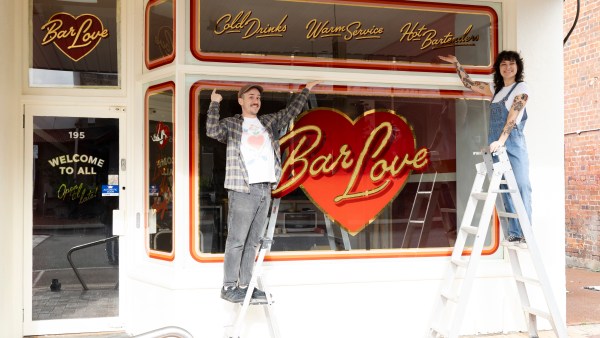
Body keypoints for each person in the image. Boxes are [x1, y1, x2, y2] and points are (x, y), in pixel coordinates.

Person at [207, 80, 321, 303]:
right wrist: (214, 104)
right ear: (240, 101)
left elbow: (291, 112)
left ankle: (246, 286)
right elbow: (212, 130)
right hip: (242, 188)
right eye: (250, 97)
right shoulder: (232, 124)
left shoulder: (268, 122)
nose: (255, 101)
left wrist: (306, 90)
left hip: (265, 189)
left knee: (253, 242)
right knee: (237, 240)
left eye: (258, 98)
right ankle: (229, 286)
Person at [439, 51, 531, 248]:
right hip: (495, 144)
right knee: (504, 188)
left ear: (518, 67)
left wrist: (501, 140)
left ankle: (525, 233)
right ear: (499, 68)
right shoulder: (496, 90)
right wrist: (457, 63)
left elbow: (513, 117)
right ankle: (513, 234)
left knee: (522, 185)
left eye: (512, 64)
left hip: (512, 142)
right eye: (504, 64)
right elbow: (469, 84)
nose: (508, 67)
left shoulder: (520, 88)